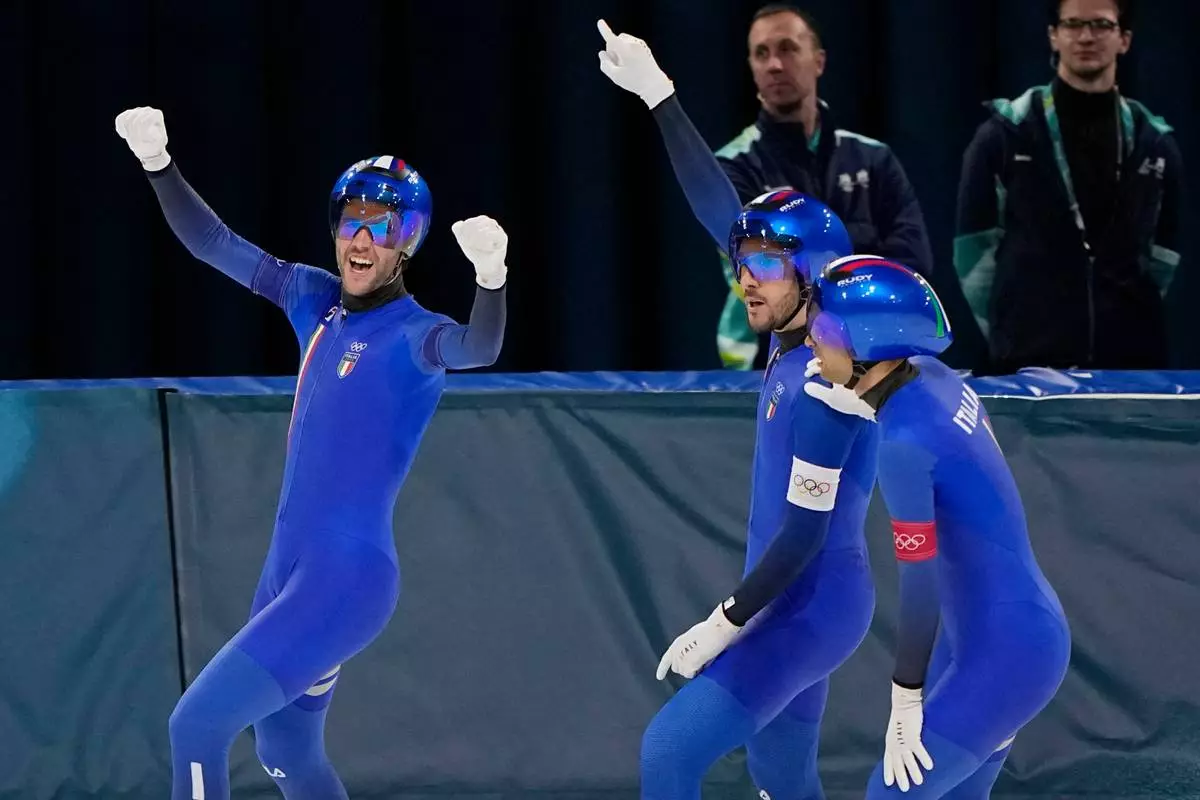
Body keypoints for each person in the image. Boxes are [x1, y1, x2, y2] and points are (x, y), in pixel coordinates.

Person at [115, 106, 508, 800]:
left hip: (345, 582)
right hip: (289, 574)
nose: (360, 238)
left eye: (381, 226)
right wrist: (157, 163)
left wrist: (491, 279)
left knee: (195, 727)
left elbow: (479, 349)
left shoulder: (418, 335)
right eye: (350, 219)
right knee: (287, 752)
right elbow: (214, 243)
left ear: (408, 244)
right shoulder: (312, 299)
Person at [599, 22, 878, 800]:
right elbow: (718, 210)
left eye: (763, 266)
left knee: (669, 754)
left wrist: (726, 621)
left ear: (812, 273)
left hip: (808, 601)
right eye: (741, 265)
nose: (745, 281)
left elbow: (802, 537)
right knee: (781, 772)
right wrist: (660, 98)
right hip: (797, 593)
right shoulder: (799, 335)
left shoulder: (831, 373)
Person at [802, 256, 1071, 797]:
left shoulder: (902, 448)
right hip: (1003, 631)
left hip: (1005, 651)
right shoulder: (935, 376)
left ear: (870, 347)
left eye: (824, 329)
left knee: (889, 794)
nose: (810, 340)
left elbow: (919, 586)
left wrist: (905, 699)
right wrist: (857, 399)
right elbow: (936, 439)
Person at [953, 0, 1184, 373]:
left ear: (1124, 39)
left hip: (1131, 365)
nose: (1086, 37)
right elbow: (971, 251)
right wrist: (1012, 329)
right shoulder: (1005, 134)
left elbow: (1165, 255)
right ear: (1053, 36)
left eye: (1101, 25)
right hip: (1028, 364)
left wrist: (1126, 314)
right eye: (1073, 24)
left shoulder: (1153, 142)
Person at [713, 3, 934, 370]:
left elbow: (912, 266)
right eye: (761, 54)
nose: (774, 65)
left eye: (787, 48)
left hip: (878, 358)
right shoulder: (733, 166)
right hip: (773, 361)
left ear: (818, 61)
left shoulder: (874, 159)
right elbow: (762, 275)